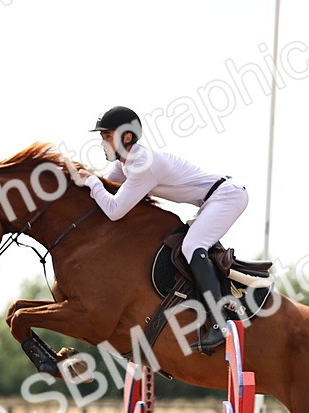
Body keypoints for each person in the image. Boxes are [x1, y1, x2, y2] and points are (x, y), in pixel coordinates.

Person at [73, 106, 249, 353]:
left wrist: (90, 181)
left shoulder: (142, 164)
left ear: (126, 137)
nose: (103, 143)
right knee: (187, 246)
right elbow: (109, 186)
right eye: (102, 138)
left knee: (191, 246)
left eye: (107, 136)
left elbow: (114, 210)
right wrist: (81, 179)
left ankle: (220, 322)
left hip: (227, 196)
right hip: (213, 198)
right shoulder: (127, 163)